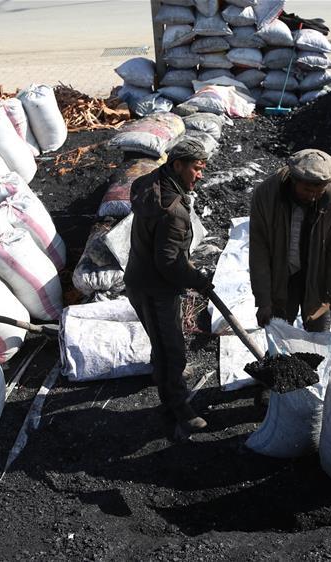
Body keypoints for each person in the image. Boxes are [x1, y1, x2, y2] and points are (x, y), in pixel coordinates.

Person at [124, 137, 214, 441]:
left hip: (141, 278)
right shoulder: (172, 211)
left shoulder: (148, 182)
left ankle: (162, 371)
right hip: (154, 288)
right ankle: (177, 406)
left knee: (162, 339)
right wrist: (199, 280)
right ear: (177, 166)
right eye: (196, 168)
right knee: (171, 349)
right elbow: (169, 263)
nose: (200, 175)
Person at [249, 149, 331, 337]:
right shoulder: (267, 196)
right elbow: (259, 251)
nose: (312, 196)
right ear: (294, 180)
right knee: (279, 338)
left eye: (318, 191)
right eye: (307, 190)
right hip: (281, 277)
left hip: (317, 281)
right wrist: (263, 301)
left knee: (317, 341)